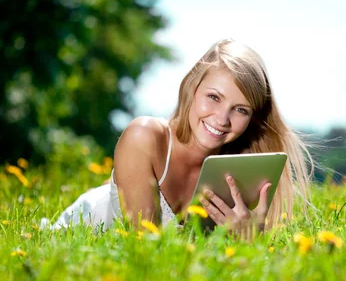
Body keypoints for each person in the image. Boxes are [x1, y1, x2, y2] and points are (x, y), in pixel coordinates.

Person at [52, 39, 313, 238]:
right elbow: (145, 250)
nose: (222, 119)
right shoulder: (144, 137)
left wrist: (244, 241)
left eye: (241, 109)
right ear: (192, 88)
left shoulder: (240, 172)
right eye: (214, 97)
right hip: (70, 243)